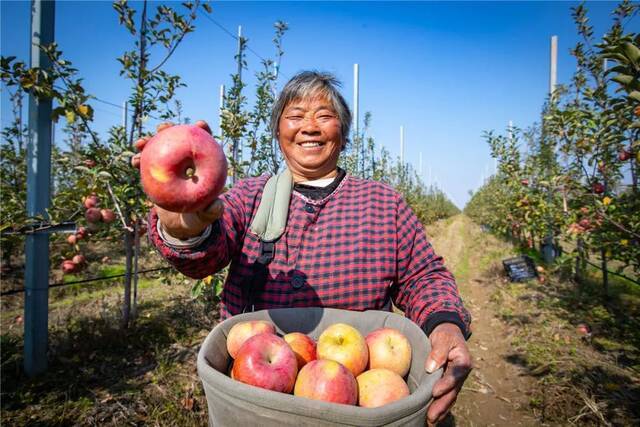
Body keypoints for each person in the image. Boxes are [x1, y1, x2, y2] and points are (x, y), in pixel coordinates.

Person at [133, 71, 472, 425]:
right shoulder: (251, 196)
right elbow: (207, 254)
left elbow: (424, 276)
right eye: (295, 116)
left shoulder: (383, 204)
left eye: (324, 116)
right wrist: (183, 224)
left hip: (356, 404)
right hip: (260, 402)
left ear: (343, 134)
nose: (309, 127)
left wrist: (445, 323)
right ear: (278, 133)